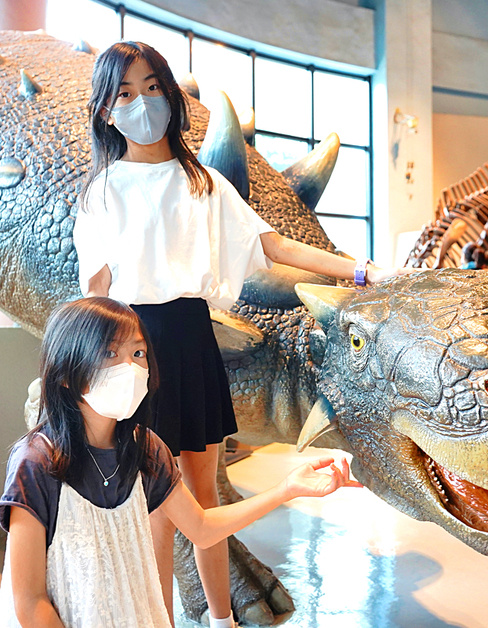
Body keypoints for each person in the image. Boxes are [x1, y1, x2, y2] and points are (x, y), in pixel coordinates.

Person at [73, 42, 404, 626]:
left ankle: (221, 620)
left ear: (171, 95)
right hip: (133, 349)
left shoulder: (202, 182)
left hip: (192, 337)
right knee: (154, 502)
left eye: (152, 87)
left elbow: (272, 245)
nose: (141, 102)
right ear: (105, 110)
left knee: (205, 496)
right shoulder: (102, 191)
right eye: (124, 93)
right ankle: (160, 621)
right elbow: (95, 293)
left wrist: (361, 269)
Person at [0, 298, 359, 627]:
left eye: (138, 353)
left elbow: (200, 527)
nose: (130, 368)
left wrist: (287, 489)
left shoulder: (146, 448)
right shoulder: (36, 462)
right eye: (110, 353)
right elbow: (31, 602)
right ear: (66, 371)